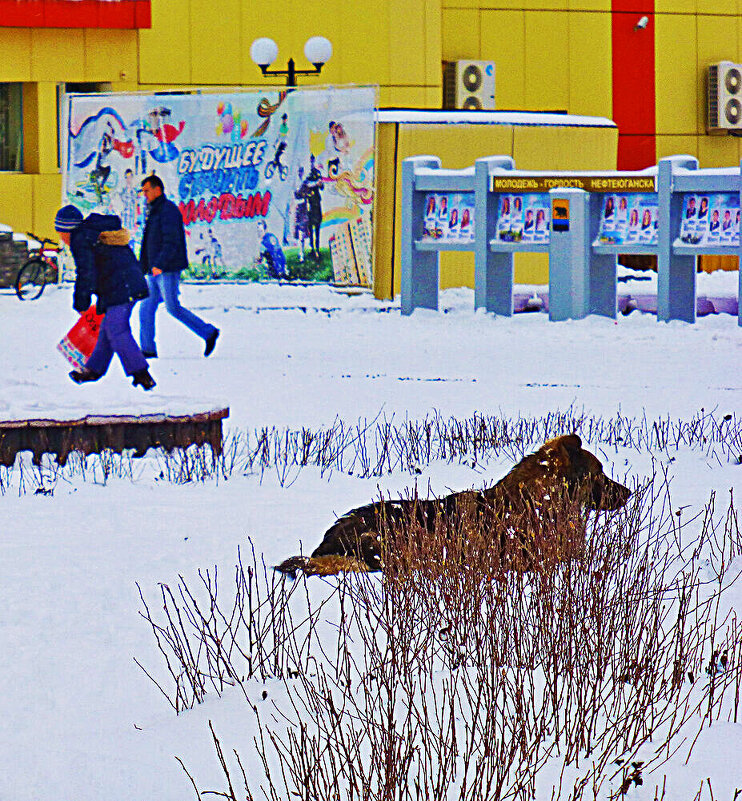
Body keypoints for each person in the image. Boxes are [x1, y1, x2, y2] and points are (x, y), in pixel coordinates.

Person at [54, 204, 155, 390]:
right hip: (124, 282)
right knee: (108, 327)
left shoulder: (80, 238)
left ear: (67, 229)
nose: (61, 237)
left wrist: (81, 301)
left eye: (60, 232)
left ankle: (141, 373)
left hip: (122, 285)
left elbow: (86, 271)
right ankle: (93, 369)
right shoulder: (92, 233)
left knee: (117, 329)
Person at [137, 175, 220, 358]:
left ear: (158, 189)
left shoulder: (168, 211)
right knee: (146, 308)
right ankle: (147, 350)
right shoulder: (154, 210)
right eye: (143, 192)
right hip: (153, 269)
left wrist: (160, 264)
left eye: (147, 190)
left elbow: (172, 241)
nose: (145, 195)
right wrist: (144, 265)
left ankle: (209, 332)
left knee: (173, 307)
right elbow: (149, 242)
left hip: (167, 268)